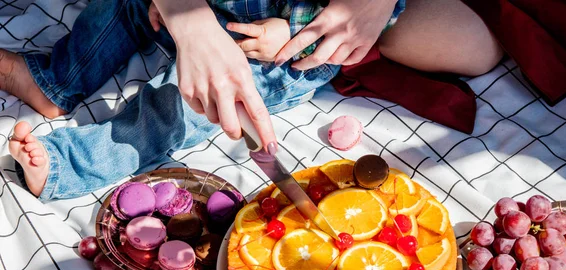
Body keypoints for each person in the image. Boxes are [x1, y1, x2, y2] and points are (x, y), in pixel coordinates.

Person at [6, 0, 406, 200]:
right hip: (182, 10)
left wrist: (286, 32)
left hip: (272, 49)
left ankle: (68, 165)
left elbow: (336, 22)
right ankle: (57, 80)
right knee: (116, 10)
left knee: (172, 109)